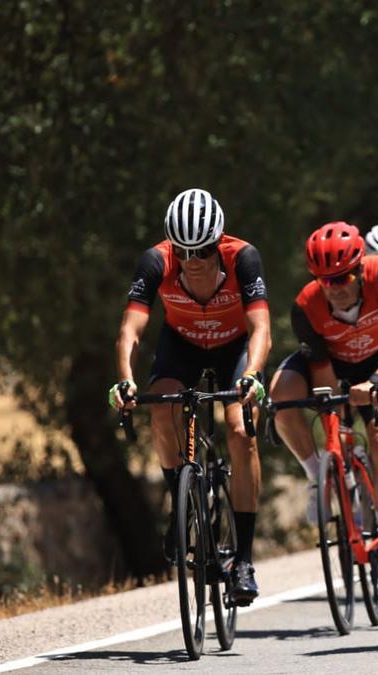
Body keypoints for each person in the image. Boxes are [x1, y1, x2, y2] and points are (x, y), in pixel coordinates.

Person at [109, 188, 271, 603]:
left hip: (234, 347)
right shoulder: (156, 262)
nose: (193, 261)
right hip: (180, 344)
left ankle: (245, 559)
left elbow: (260, 330)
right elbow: (130, 331)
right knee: (161, 411)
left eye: (202, 251)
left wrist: (252, 375)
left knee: (239, 429)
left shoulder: (243, 258)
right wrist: (125, 380)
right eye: (184, 251)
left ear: (218, 244)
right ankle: (178, 507)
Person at [268, 222, 378, 597]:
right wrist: (338, 422)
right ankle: (319, 475)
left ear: (360, 269)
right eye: (328, 281)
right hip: (333, 365)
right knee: (280, 394)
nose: (339, 287)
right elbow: (322, 375)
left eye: (345, 276)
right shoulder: (306, 306)